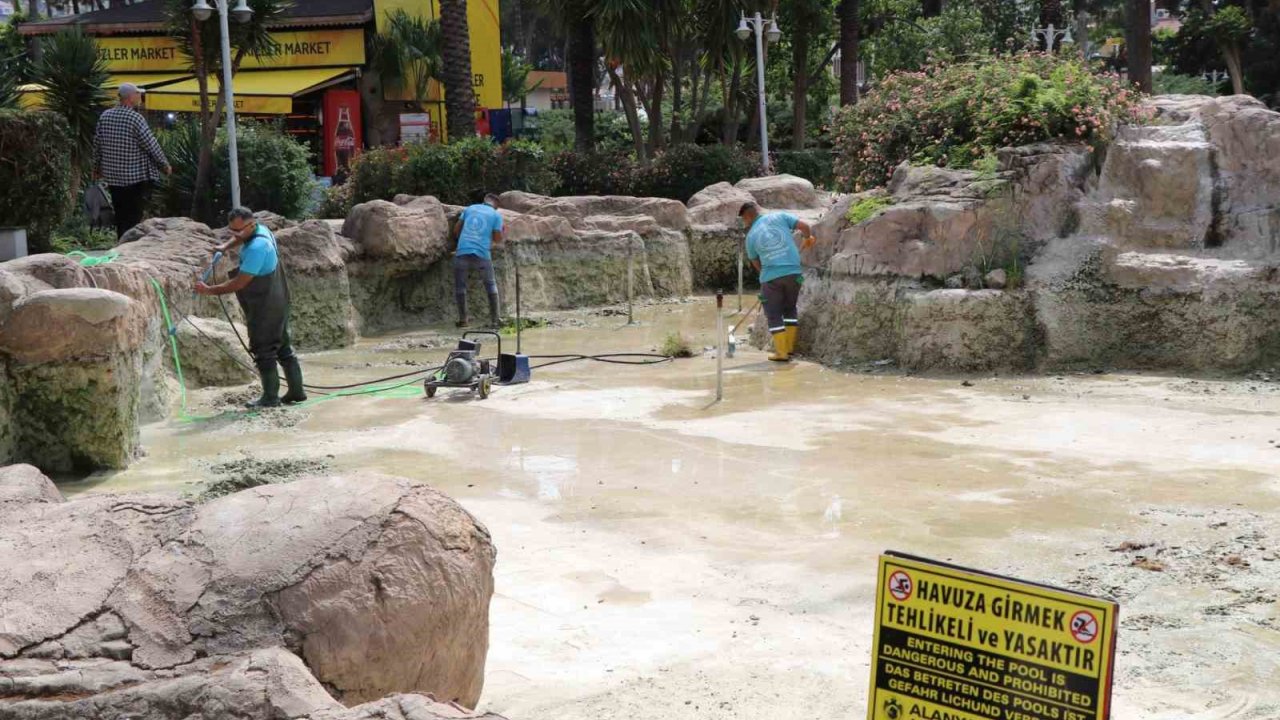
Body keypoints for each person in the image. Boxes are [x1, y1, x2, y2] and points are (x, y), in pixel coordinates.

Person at [194, 207, 306, 408]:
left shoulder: (257, 248)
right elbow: (240, 237)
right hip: (279, 299)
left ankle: (270, 398)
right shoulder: (260, 229)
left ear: (251, 224)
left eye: (238, 231)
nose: (235, 235)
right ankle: (297, 392)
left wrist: (208, 290)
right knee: (283, 347)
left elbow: (239, 283)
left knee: (264, 350)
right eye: (232, 230)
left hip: (265, 305)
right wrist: (225, 246)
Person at [92, 83, 172, 239]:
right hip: (134, 178)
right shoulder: (135, 118)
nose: (140, 96)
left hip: (113, 177)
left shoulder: (105, 116)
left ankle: (121, 244)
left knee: (120, 214)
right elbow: (151, 144)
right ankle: (130, 245)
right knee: (133, 216)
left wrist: (96, 168)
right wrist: (164, 165)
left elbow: (97, 145)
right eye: (138, 93)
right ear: (130, 97)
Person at [740, 202, 816, 362]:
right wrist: (807, 238)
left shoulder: (751, 236)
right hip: (795, 274)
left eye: (743, 219)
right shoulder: (780, 216)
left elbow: (755, 261)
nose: (744, 223)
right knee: (790, 310)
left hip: (771, 277)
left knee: (774, 314)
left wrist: (765, 277)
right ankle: (789, 349)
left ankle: (781, 353)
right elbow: (805, 227)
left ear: (747, 216)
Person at [451, 193, 505, 328]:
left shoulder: (469, 208)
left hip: (462, 250)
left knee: (460, 287)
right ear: (496, 206)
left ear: (484, 201)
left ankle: (463, 320)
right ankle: (495, 321)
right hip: (482, 253)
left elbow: (456, 230)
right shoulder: (496, 215)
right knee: (490, 285)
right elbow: (497, 239)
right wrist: (501, 231)